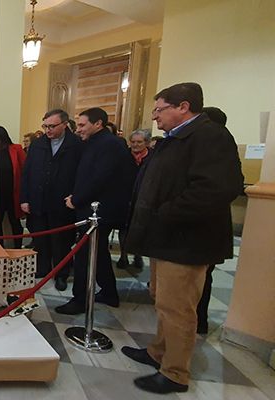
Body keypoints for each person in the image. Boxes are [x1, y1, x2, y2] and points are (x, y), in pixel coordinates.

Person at [121, 83, 243, 394]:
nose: (155, 116)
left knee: (179, 309)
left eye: (160, 109)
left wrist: (167, 212)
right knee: (163, 301)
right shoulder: (175, 140)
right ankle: (158, 352)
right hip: (166, 238)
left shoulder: (210, 136)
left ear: (183, 107)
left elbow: (217, 189)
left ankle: (175, 372)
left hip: (186, 241)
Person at [56, 107, 135, 315]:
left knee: (84, 255)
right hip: (93, 208)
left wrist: (76, 199)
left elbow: (99, 179)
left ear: (98, 123)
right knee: (98, 254)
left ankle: (80, 300)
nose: (78, 129)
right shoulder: (96, 143)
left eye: (82, 125)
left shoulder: (109, 145)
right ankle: (109, 292)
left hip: (99, 211)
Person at [20, 109, 84, 290]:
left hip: (62, 203)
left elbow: (81, 174)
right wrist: (24, 198)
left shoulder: (77, 145)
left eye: (52, 126)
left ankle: (61, 273)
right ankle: (42, 268)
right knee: (40, 239)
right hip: (38, 201)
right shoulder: (38, 144)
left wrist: (76, 196)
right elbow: (27, 173)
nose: (48, 130)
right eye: (45, 126)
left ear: (64, 124)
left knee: (61, 241)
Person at [194, 106, 229, 335]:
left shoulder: (217, 147)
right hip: (203, 229)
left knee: (202, 278)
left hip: (205, 229)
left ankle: (199, 320)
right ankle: (198, 319)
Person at [117, 129, 151, 270]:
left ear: (146, 143)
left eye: (139, 142)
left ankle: (138, 254)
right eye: (133, 142)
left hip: (144, 198)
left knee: (141, 228)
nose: (135, 145)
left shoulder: (152, 157)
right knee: (124, 228)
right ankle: (123, 255)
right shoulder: (124, 156)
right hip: (125, 197)